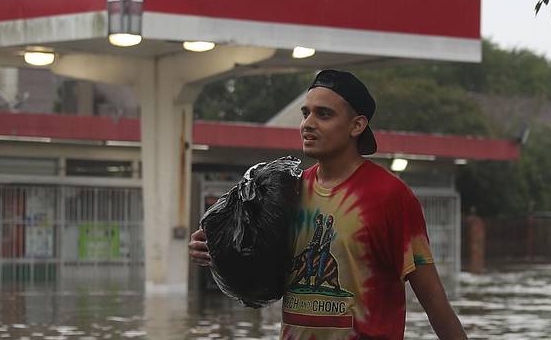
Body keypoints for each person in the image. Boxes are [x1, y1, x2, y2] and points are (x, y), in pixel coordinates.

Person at [188, 70, 468, 339]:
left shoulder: (391, 196)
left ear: (357, 125)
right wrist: (217, 251)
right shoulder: (286, 192)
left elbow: (435, 304)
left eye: (323, 114)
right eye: (305, 113)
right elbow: (260, 274)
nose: (308, 124)